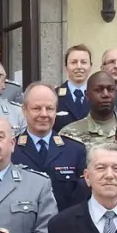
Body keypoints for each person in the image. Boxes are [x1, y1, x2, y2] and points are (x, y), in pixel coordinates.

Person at [12, 83, 87, 212]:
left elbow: (81, 199)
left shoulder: (75, 151)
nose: (44, 114)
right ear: (24, 110)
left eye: (49, 108)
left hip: (64, 225)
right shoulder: (11, 149)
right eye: (36, 108)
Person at [57, 71, 117, 151]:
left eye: (110, 89)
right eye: (98, 90)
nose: (106, 94)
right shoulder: (68, 134)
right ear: (87, 95)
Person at [53, 44, 94, 133]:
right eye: (74, 62)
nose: (79, 67)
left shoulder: (97, 95)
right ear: (66, 66)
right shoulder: (53, 96)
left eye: (83, 62)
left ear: (90, 66)